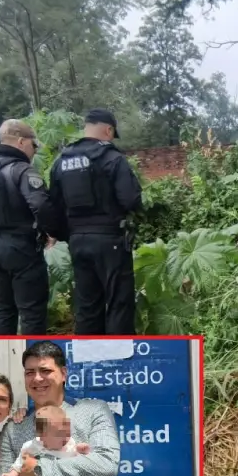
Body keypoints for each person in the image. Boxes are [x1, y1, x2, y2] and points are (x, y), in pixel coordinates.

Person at [0, 340, 139, 476]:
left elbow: (106, 463)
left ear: (63, 373)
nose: (37, 378)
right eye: (30, 372)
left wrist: (39, 470)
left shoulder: (94, 410)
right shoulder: (14, 428)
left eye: (45, 371)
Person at [0, 119, 64, 336]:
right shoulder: (22, 171)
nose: (34, 150)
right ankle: (33, 363)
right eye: (33, 145)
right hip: (21, 248)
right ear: (21, 141)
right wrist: (53, 232)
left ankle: (3, 363)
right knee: (32, 312)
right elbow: (40, 205)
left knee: (4, 310)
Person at [48, 109, 143, 336]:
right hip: (110, 240)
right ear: (108, 130)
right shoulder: (112, 158)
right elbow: (130, 199)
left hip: (78, 242)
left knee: (88, 304)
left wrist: (66, 234)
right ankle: (118, 360)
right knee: (119, 302)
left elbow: (52, 205)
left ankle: (89, 359)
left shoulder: (61, 161)